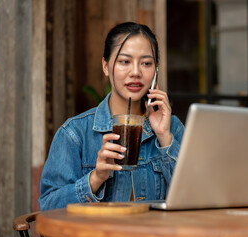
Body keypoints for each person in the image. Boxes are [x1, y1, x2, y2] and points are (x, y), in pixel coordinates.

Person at [39, 22, 185, 211]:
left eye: (146, 63)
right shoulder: (74, 133)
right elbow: (48, 208)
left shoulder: (171, 127)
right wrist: (96, 177)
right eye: (125, 61)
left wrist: (165, 138)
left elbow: (195, 197)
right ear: (106, 66)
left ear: (155, 71)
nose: (136, 72)